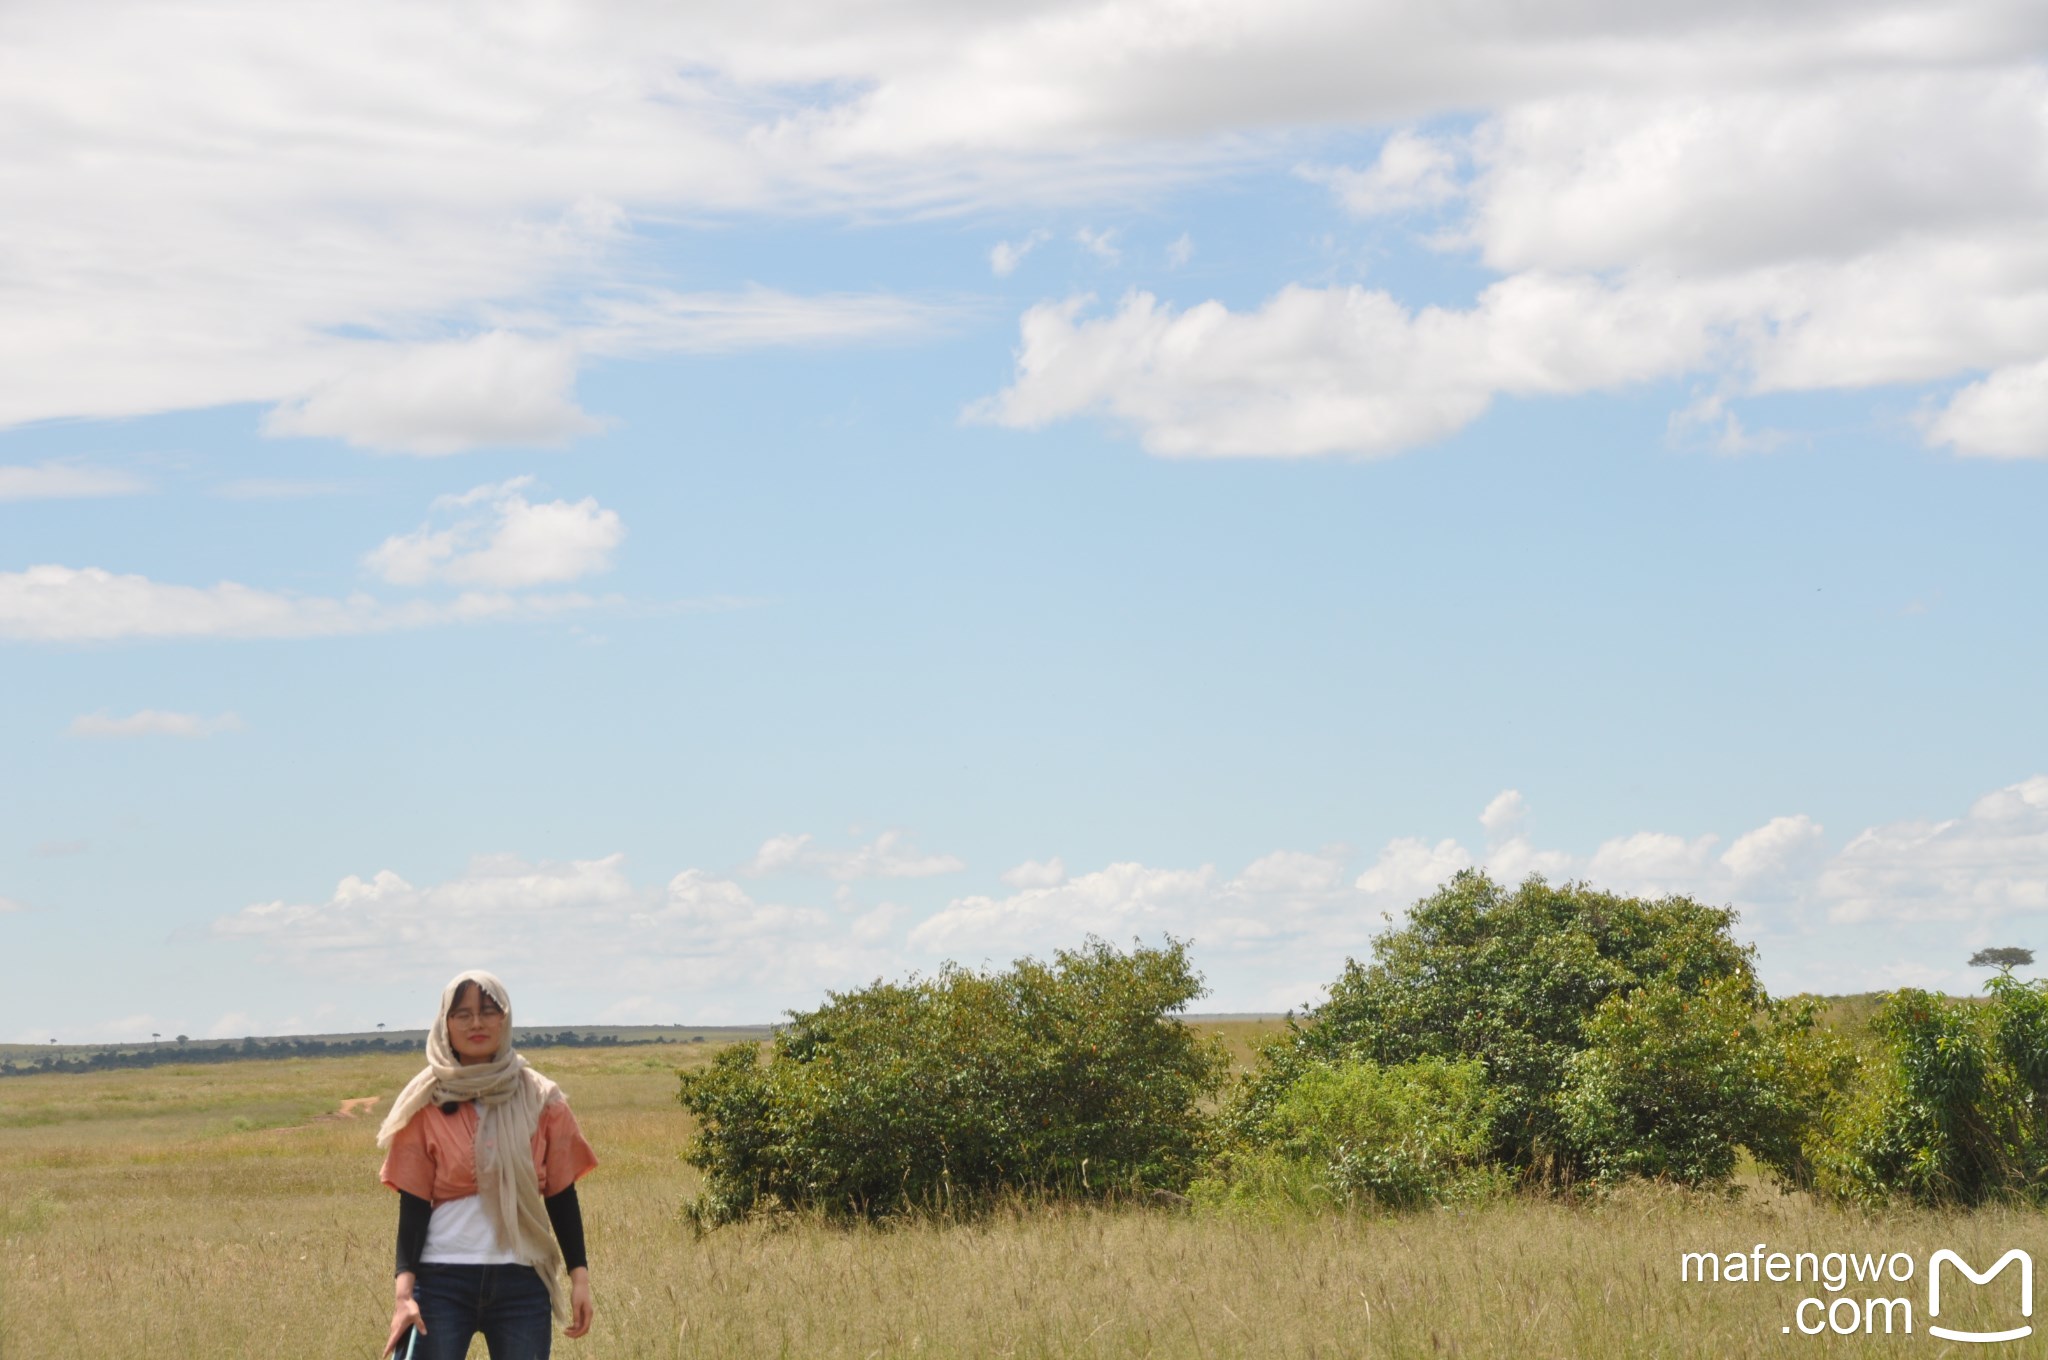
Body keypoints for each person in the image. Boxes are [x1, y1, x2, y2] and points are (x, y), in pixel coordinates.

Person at [376, 969, 597, 1359]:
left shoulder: (541, 1098)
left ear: (505, 1019)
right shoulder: (425, 1102)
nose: (476, 1023)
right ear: (445, 1023)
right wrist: (403, 1296)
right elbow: (412, 1206)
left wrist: (580, 1277)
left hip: (522, 1281)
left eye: (489, 1011)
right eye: (462, 1014)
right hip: (441, 1281)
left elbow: (561, 1194)